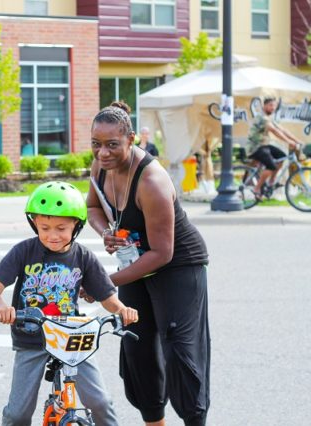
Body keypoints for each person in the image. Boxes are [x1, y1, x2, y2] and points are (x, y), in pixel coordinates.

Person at [86, 101, 210, 426]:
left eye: (112, 144)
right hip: (138, 261)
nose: (102, 153)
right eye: (96, 144)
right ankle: (154, 422)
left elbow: (162, 253)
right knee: (136, 344)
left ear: (131, 140)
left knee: (179, 351)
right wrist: (107, 233)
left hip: (177, 265)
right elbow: (93, 209)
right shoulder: (100, 167)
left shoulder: (151, 181)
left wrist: (105, 280)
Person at [0, 181, 138, 426]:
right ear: (34, 222)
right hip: (31, 336)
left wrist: (122, 311)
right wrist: (1, 307)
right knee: (17, 414)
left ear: (76, 226)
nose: (52, 235)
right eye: (44, 227)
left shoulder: (83, 257)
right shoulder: (23, 251)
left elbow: (107, 298)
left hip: (72, 338)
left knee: (101, 403)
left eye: (61, 228)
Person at [246, 97, 303, 199]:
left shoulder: (270, 118)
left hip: (264, 145)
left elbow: (283, 130)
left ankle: (271, 182)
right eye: (271, 105)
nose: (273, 108)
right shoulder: (262, 118)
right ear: (265, 106)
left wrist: (297, 140)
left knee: (282, 156)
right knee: (271, 166)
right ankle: (256, 189)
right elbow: (275, 131)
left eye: (275, 106)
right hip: (255, 147)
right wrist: (289, 142)